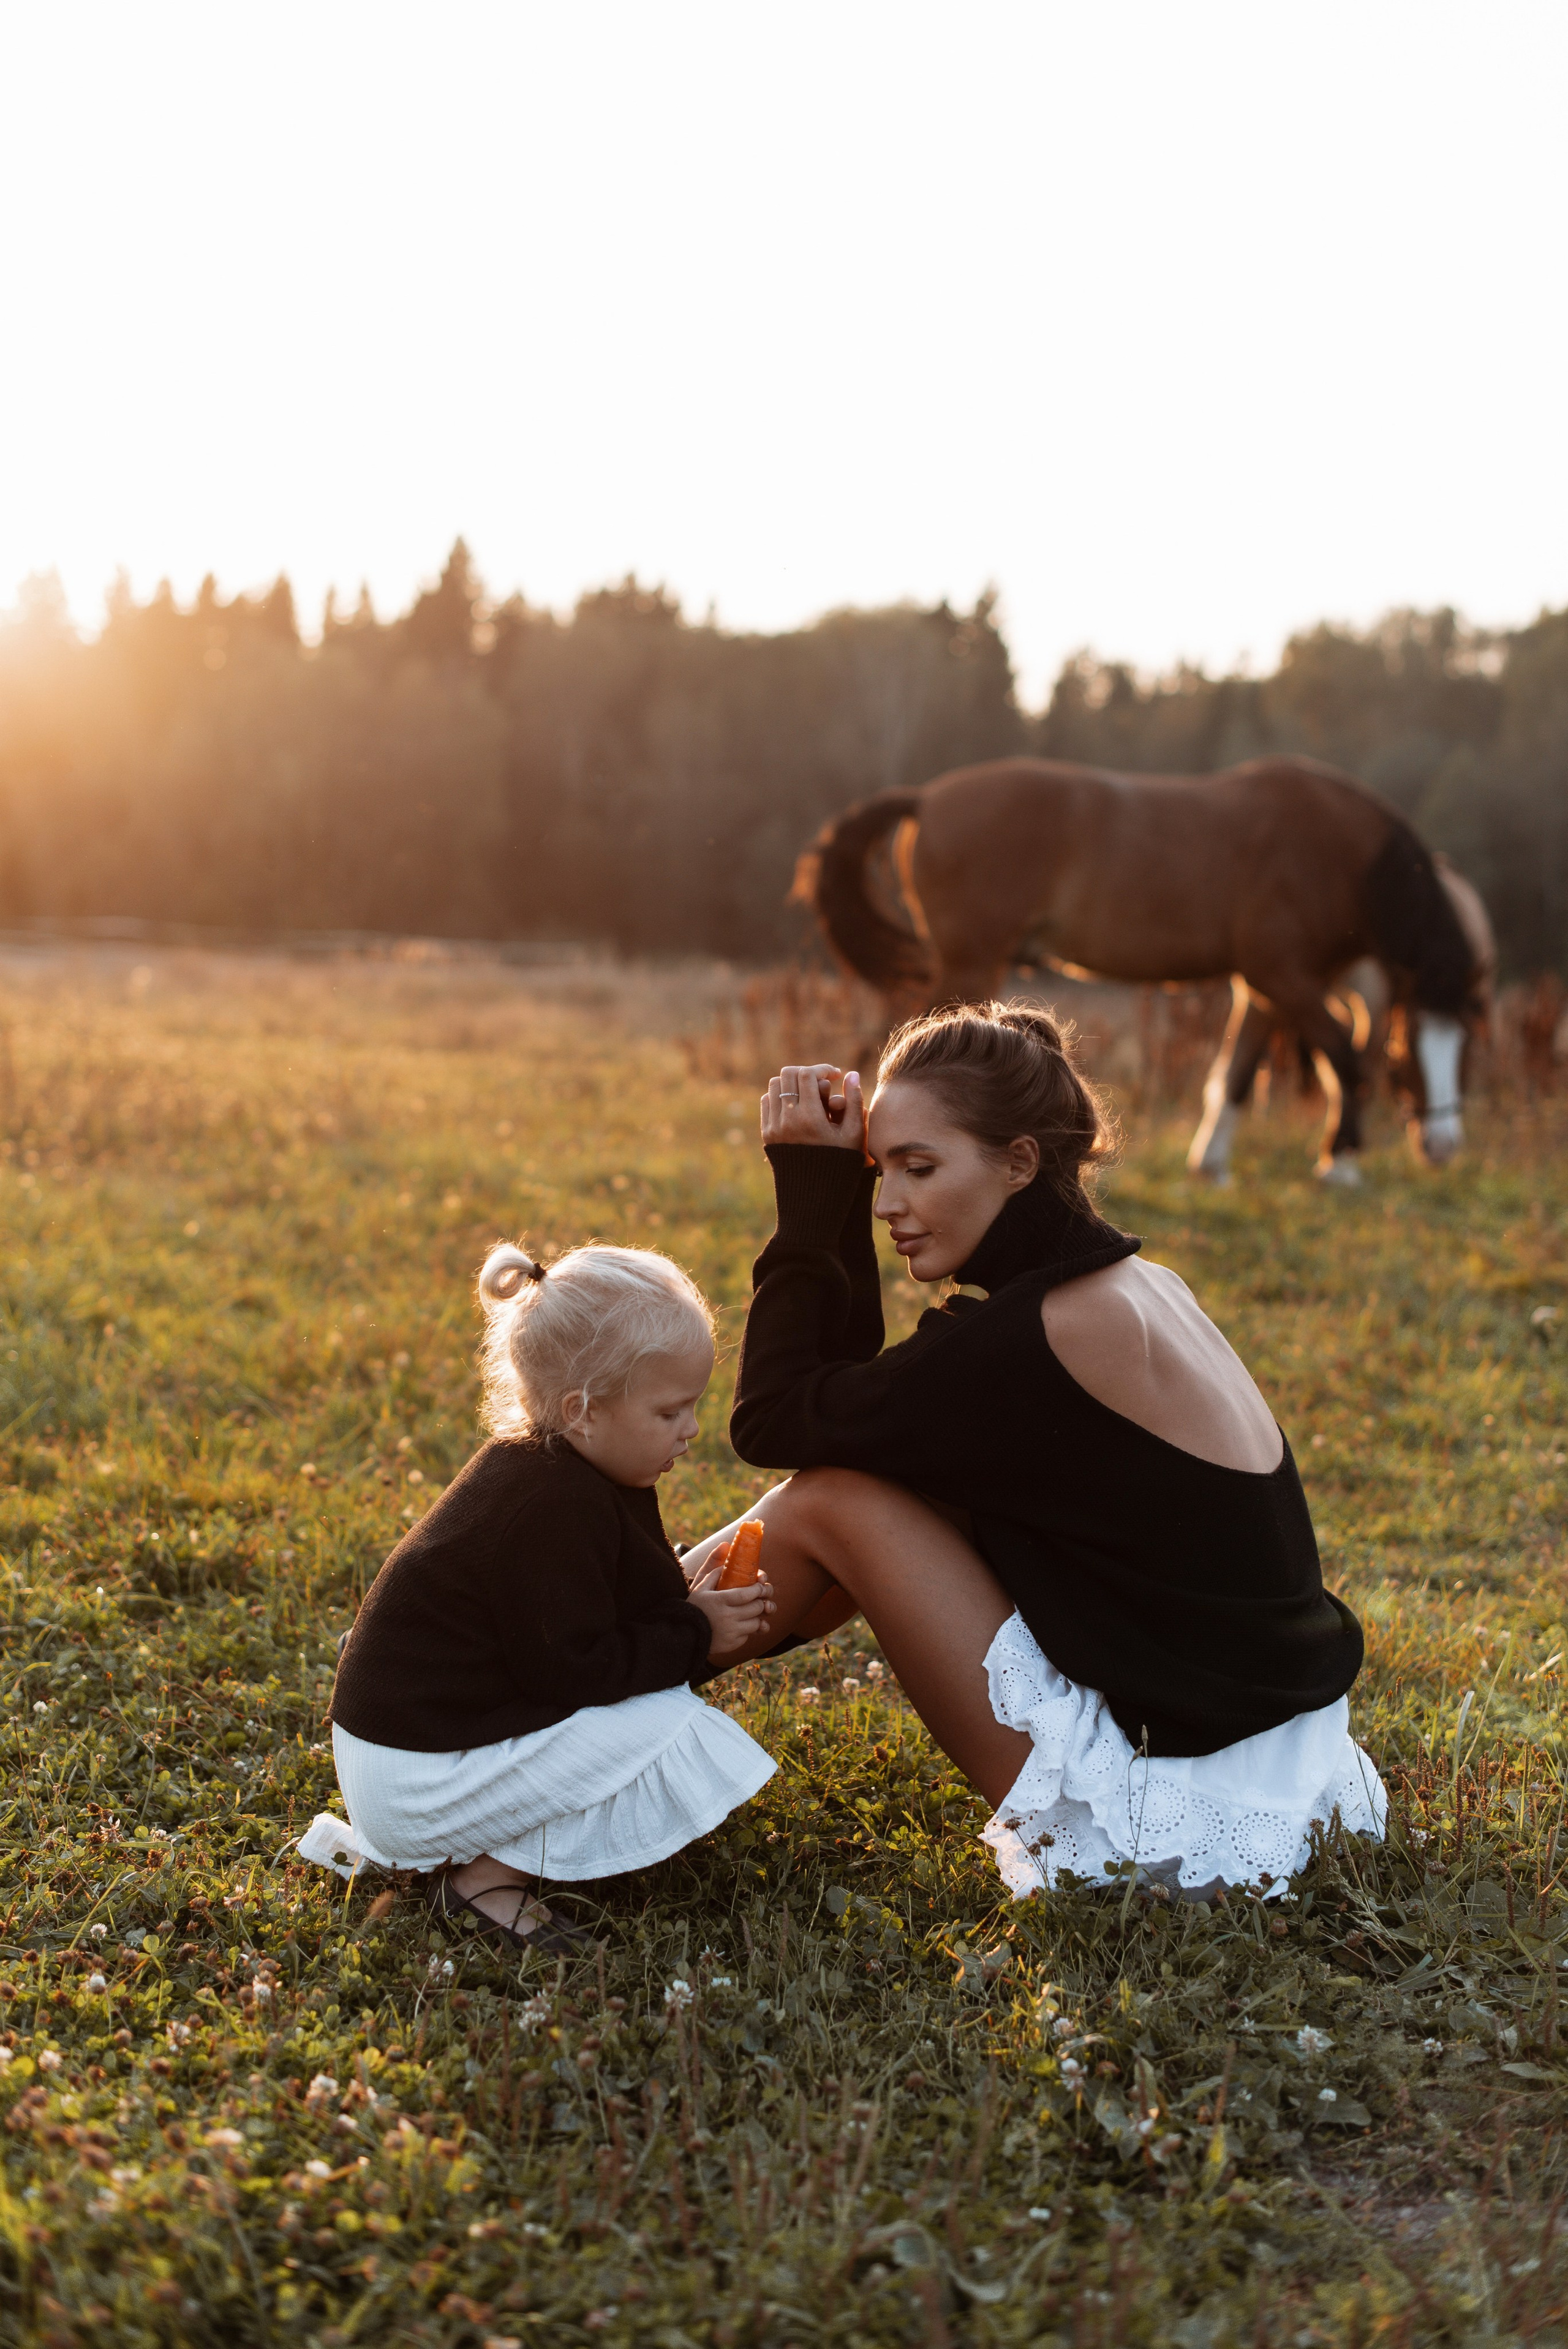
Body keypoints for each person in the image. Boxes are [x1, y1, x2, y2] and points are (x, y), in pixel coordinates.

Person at [684, 1000, 1385, 1901]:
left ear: (1019, 1161)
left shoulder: (1041, 1332)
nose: (887, 1203)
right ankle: (636, 1635)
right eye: (875, 1170)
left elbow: (777, 1415)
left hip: (1177, 1803)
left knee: (831, 1499)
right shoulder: (1131, 1287)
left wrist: (811, 1190)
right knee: (877, 1478)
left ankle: (611, 1659)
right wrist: (844, 1187)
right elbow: (850, 1410)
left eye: (918, 1167)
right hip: (1292, 1763)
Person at [297, 1242, 778, 1950]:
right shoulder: (546, 1505)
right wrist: (693, 1633)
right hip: (411, 1781)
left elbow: (593, 1608)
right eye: (672, 1410)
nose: (692, 1430)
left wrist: (679, 1601)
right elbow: (573, 1671)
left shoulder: (568, 1469)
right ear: (583, 1410)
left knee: (653, 1718)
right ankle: (482, 1882)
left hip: (419, 1748)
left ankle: (483, 1853)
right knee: (667, 1726)